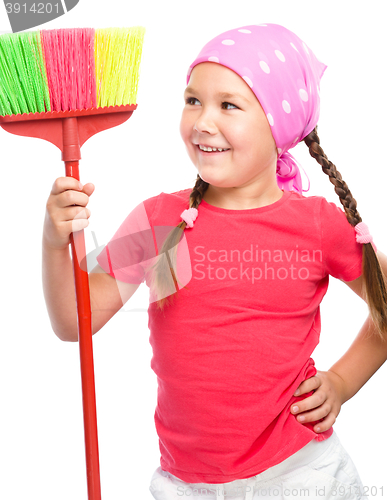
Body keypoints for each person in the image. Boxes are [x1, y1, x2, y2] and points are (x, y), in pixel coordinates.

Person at [42, 24, 387, 500]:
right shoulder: (161, 220)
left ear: (279, 126)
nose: (203, 121)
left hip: (301, 475)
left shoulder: (316, 225)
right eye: (192, 100)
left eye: (228, 105)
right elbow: (74, 322)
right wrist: (54, 244)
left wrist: (344, 382)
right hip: (187, 485)